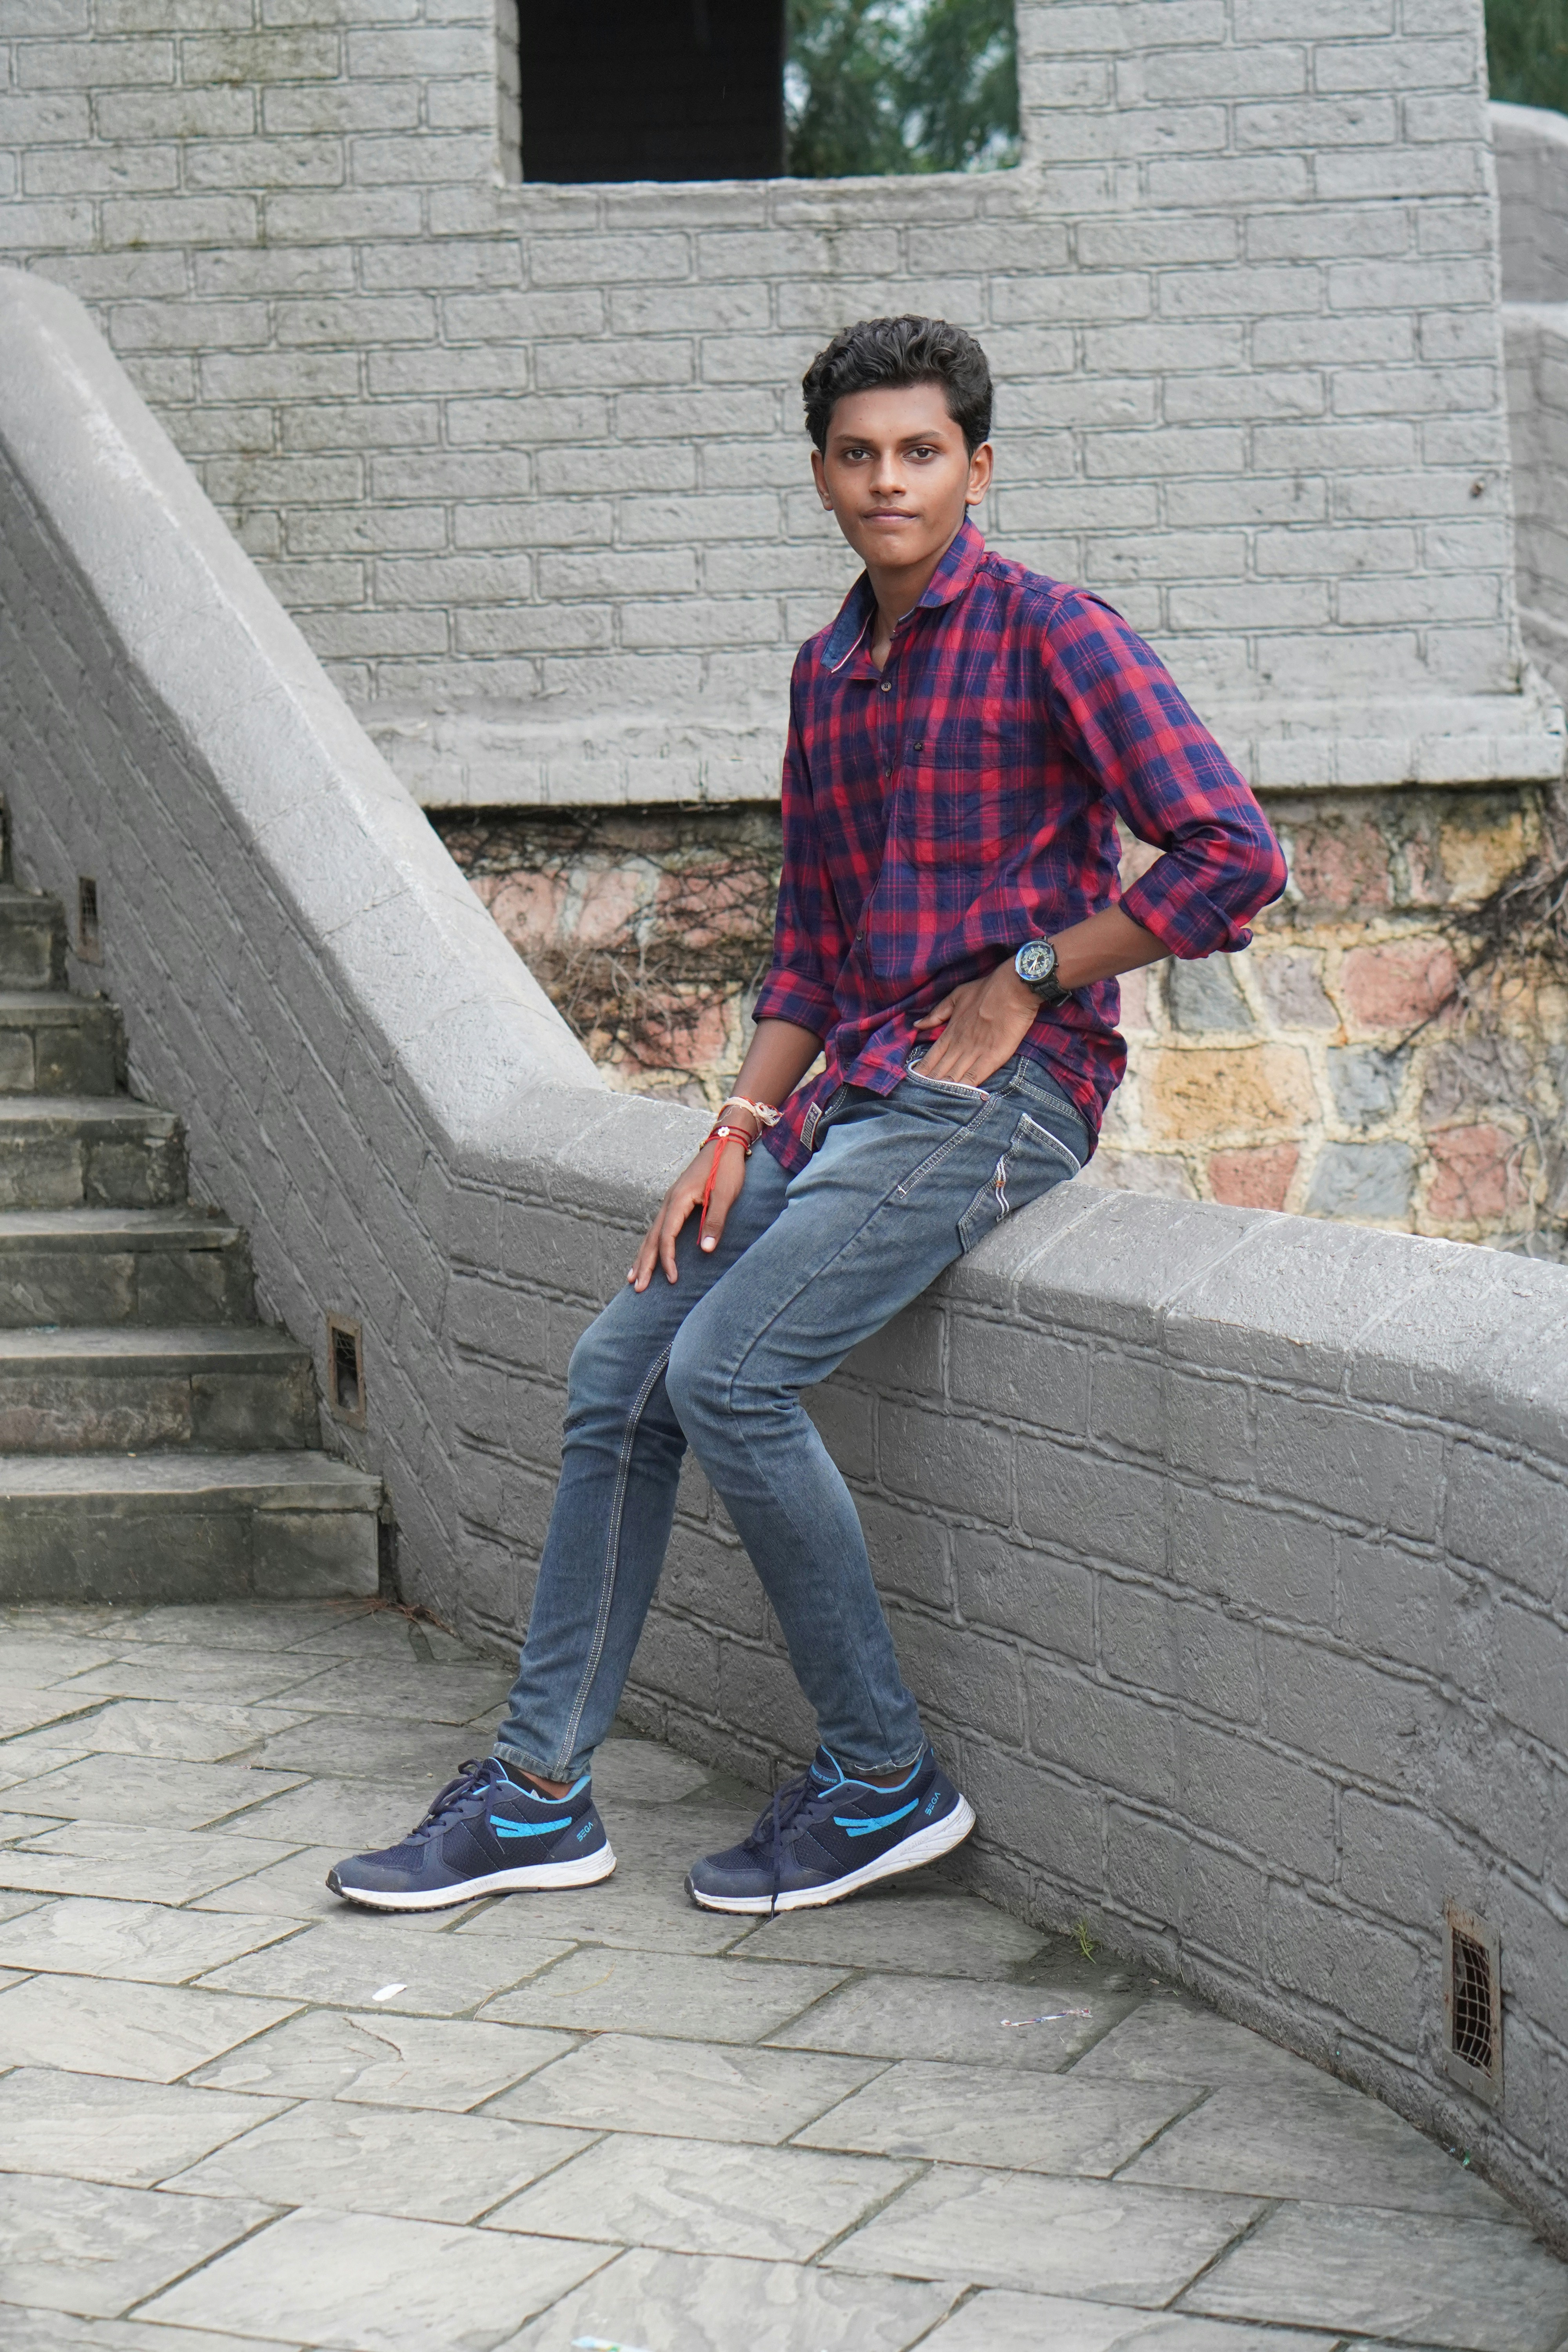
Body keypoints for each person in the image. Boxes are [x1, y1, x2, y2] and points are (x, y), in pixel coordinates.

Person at [328, 314, 1287, 1918]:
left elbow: (1229, 856)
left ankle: (878, 1777)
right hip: (847, 1098)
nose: (888, 481)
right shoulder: (829, 671)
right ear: (822, 475)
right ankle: (538, 1797)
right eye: (859, 455)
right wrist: (734, 1125)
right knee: (618, 1368)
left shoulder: (1058, 635)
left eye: (921, 452)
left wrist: (1035, 974)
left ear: (978, 468)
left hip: (1000, 1098)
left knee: (729, 1373)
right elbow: (813, 948)